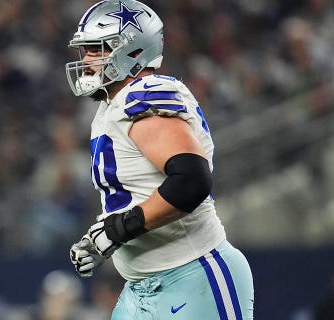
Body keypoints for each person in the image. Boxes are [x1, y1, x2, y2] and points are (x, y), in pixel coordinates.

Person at [65, 1, 254, 319]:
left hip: (193, 277)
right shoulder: (111, 107)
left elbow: (190, 182)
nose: (85, 60)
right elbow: (137, 192)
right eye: (84, 51)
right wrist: (100, 239)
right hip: (141, 288)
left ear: (132, 51)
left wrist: (116, 231)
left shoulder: (144, 94)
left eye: (95, 49)